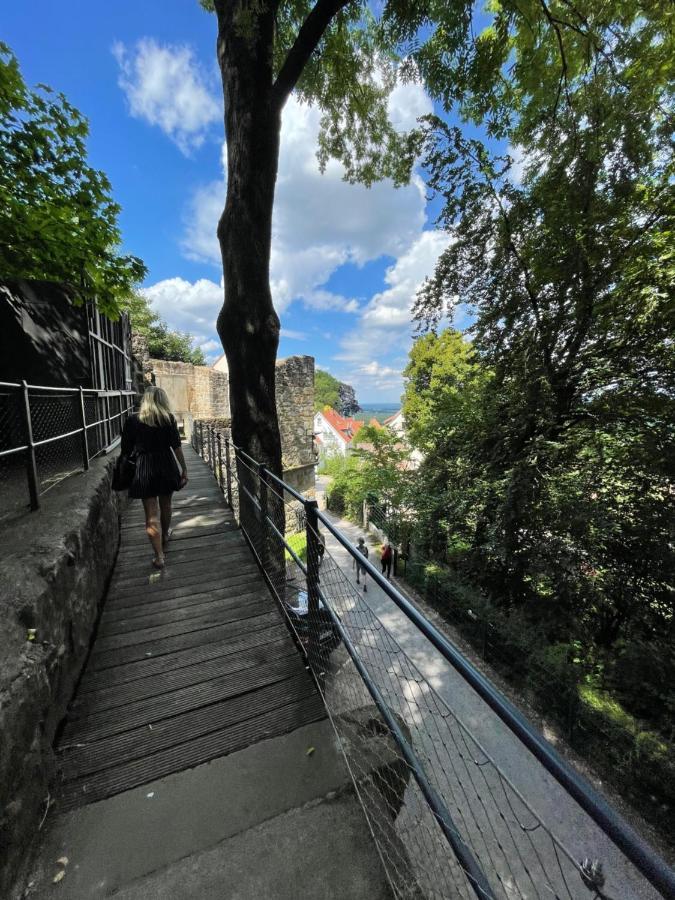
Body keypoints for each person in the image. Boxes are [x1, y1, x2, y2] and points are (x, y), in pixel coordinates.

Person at [120, 386, 188, 569]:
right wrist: (184, 469)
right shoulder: (168, 419)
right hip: (166, 465)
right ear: (163, 400)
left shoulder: (133, 420)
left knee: (151, 514)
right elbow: (176, 446)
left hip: (144, 468)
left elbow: (125, 449)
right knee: (166, 505)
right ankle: (165, 535)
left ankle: (159, 556)